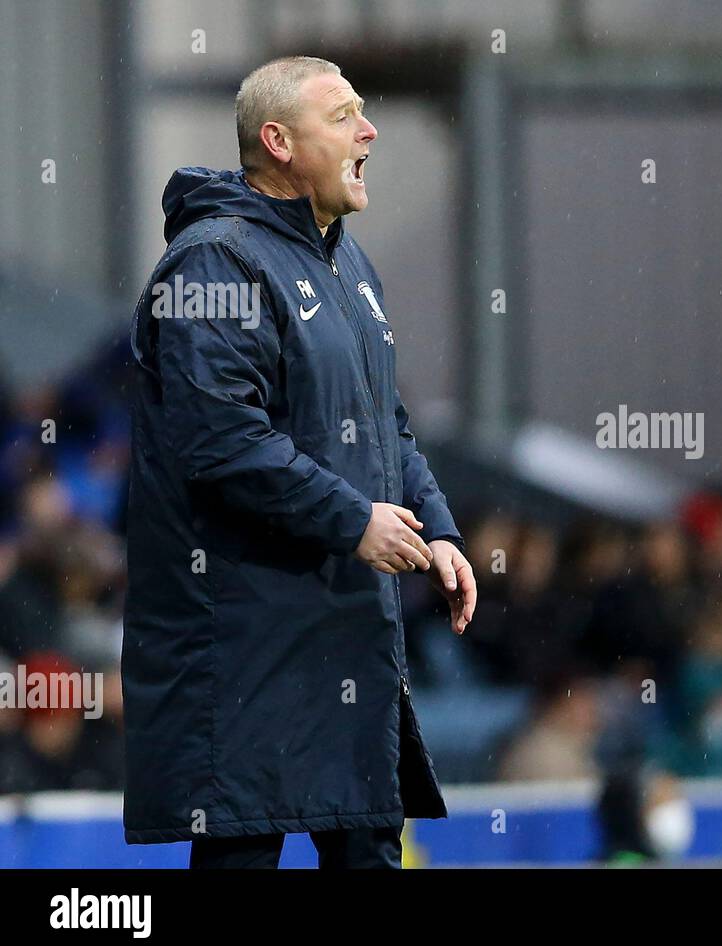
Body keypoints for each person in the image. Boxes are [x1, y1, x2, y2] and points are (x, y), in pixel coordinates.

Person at [122, 56, 476, 869]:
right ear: (278, 141)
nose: (370, 130)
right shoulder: (214, 264)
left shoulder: (348, 264)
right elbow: (221, 441)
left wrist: (441, 532)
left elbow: (387, 427)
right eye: (345, 115)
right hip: (248, 660)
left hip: (345, 646)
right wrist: (353, 519)